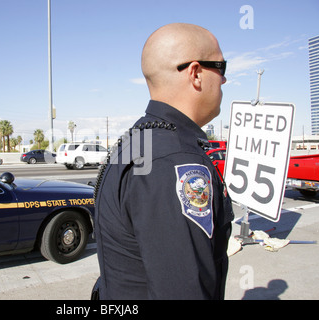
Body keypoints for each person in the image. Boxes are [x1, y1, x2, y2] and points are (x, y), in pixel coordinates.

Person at [93, 23, 234, 299]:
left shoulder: (137, 139)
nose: (224, 80)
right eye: (221, 67)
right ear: (195, 73)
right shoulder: (176, 160)